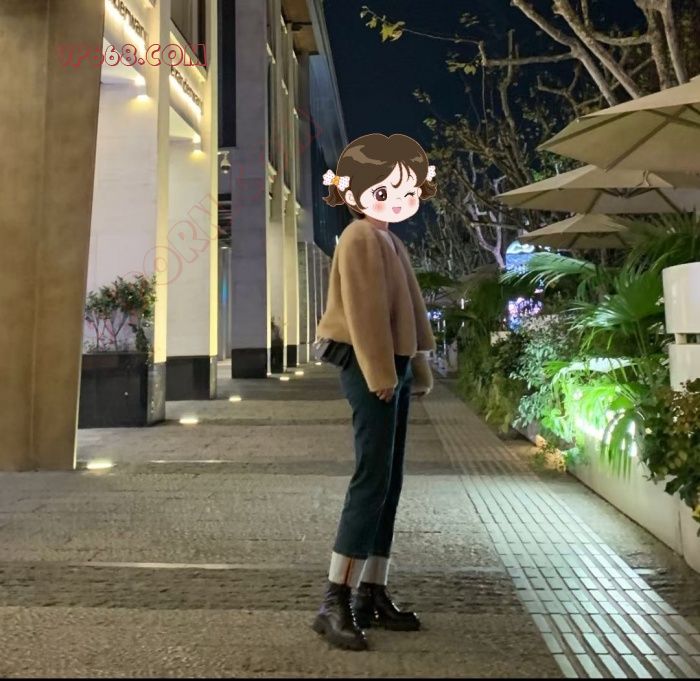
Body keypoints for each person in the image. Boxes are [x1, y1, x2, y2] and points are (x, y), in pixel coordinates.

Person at [312, 133, 437, 651]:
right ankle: (335, 599)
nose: (396, 199)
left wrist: (416, 364)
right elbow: (364, 313)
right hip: (371, 367)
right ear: (354, 192)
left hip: (392, 366)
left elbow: (409, 309)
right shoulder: (360, 237)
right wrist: (382, 374)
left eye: (405, 189)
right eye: (383, 190)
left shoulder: (390, 239)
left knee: (388, 479)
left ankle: (371, 591)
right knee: (372, 478)